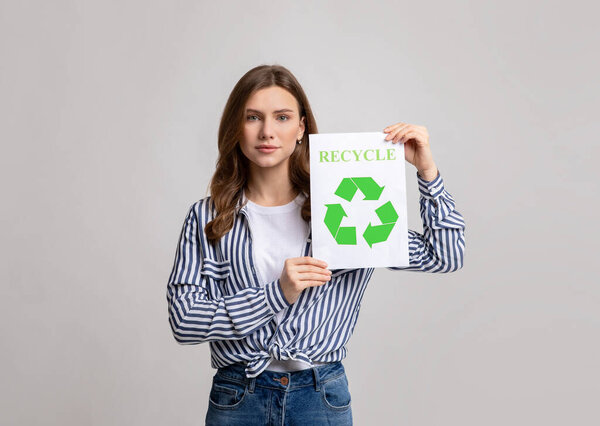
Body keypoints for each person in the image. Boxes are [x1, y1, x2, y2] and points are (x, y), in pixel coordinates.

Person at [166, 64, 465, 425]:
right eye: (252, 117)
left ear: (301, 128)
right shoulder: (209, 217)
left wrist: (427, 172)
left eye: (282, 117)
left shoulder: (343, 207)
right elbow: (184, 321)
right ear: (236, 128)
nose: (267, 132)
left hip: (320, 396)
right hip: (238, 397)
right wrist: (276, 293)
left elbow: (445, 255)